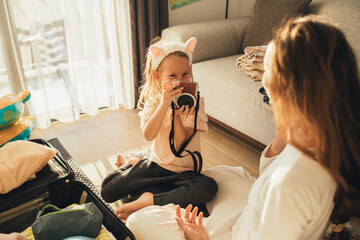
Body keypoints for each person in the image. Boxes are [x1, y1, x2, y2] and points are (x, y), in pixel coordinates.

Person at [125, 15, 360, 240]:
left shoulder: (288, 185)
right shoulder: (322, 138)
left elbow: (280, 183)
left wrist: (197, 238)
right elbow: (273, 169)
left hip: (239, 234)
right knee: (224, 174)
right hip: (257, 215)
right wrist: (285, 130)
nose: (262, 80)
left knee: (139, 222)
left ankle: (153, 197)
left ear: (290, 89)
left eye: (267, 72)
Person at [101, 37, 218, 220]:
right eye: (172, 76)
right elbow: (149, 134)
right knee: (108, 190)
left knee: (208, 187)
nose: (179, 81)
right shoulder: (155, 100)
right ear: (158, 76)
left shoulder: (195, 102)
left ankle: (150, 199)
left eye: (185, 74)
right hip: (156, 166)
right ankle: (134, 161)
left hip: (184, 173)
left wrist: (178, 117)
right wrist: (165, 104)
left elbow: (180, 145)